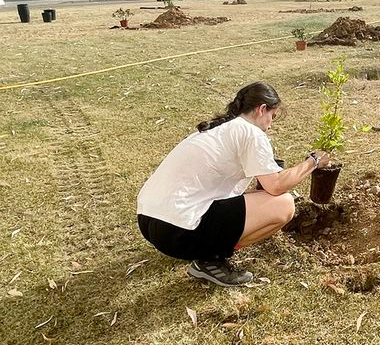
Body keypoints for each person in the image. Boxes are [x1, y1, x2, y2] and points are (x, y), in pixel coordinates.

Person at [136, 82, 331, 287]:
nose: (271, 125)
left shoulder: (217, 128)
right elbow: (275, 185)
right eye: (272, 117)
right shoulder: (251, 132)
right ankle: (210, 259)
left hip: (149, 221)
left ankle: (205, 250)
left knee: (258, 199)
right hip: (177, 232)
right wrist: (313, 162)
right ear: (261, 109)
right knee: (284, 204)